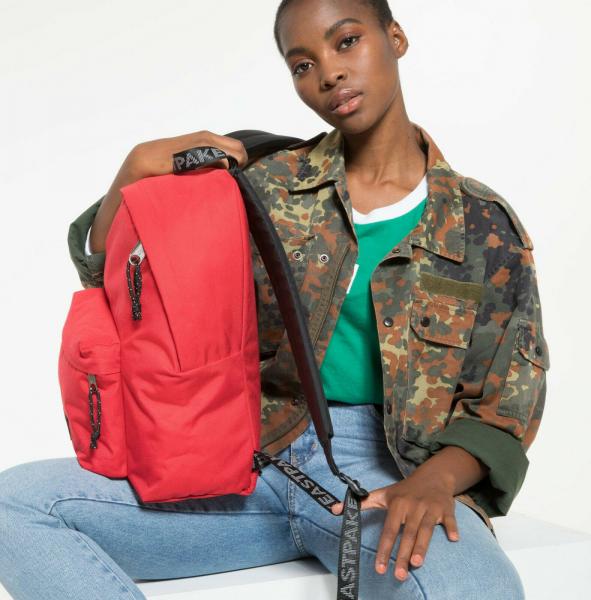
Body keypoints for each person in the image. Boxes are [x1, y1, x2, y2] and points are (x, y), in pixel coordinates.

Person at [0, 0, 549, 598]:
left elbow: (506, 404)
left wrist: (436, 480)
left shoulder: (480, 224)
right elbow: (116, 273)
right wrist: (131, 172)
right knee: (15, 504)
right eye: (302, 64)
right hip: (244, 462)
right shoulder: (266, 185)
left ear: (396, 37)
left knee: (480, 588)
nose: (329, 73)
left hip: (384, 478)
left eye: (347, 41)